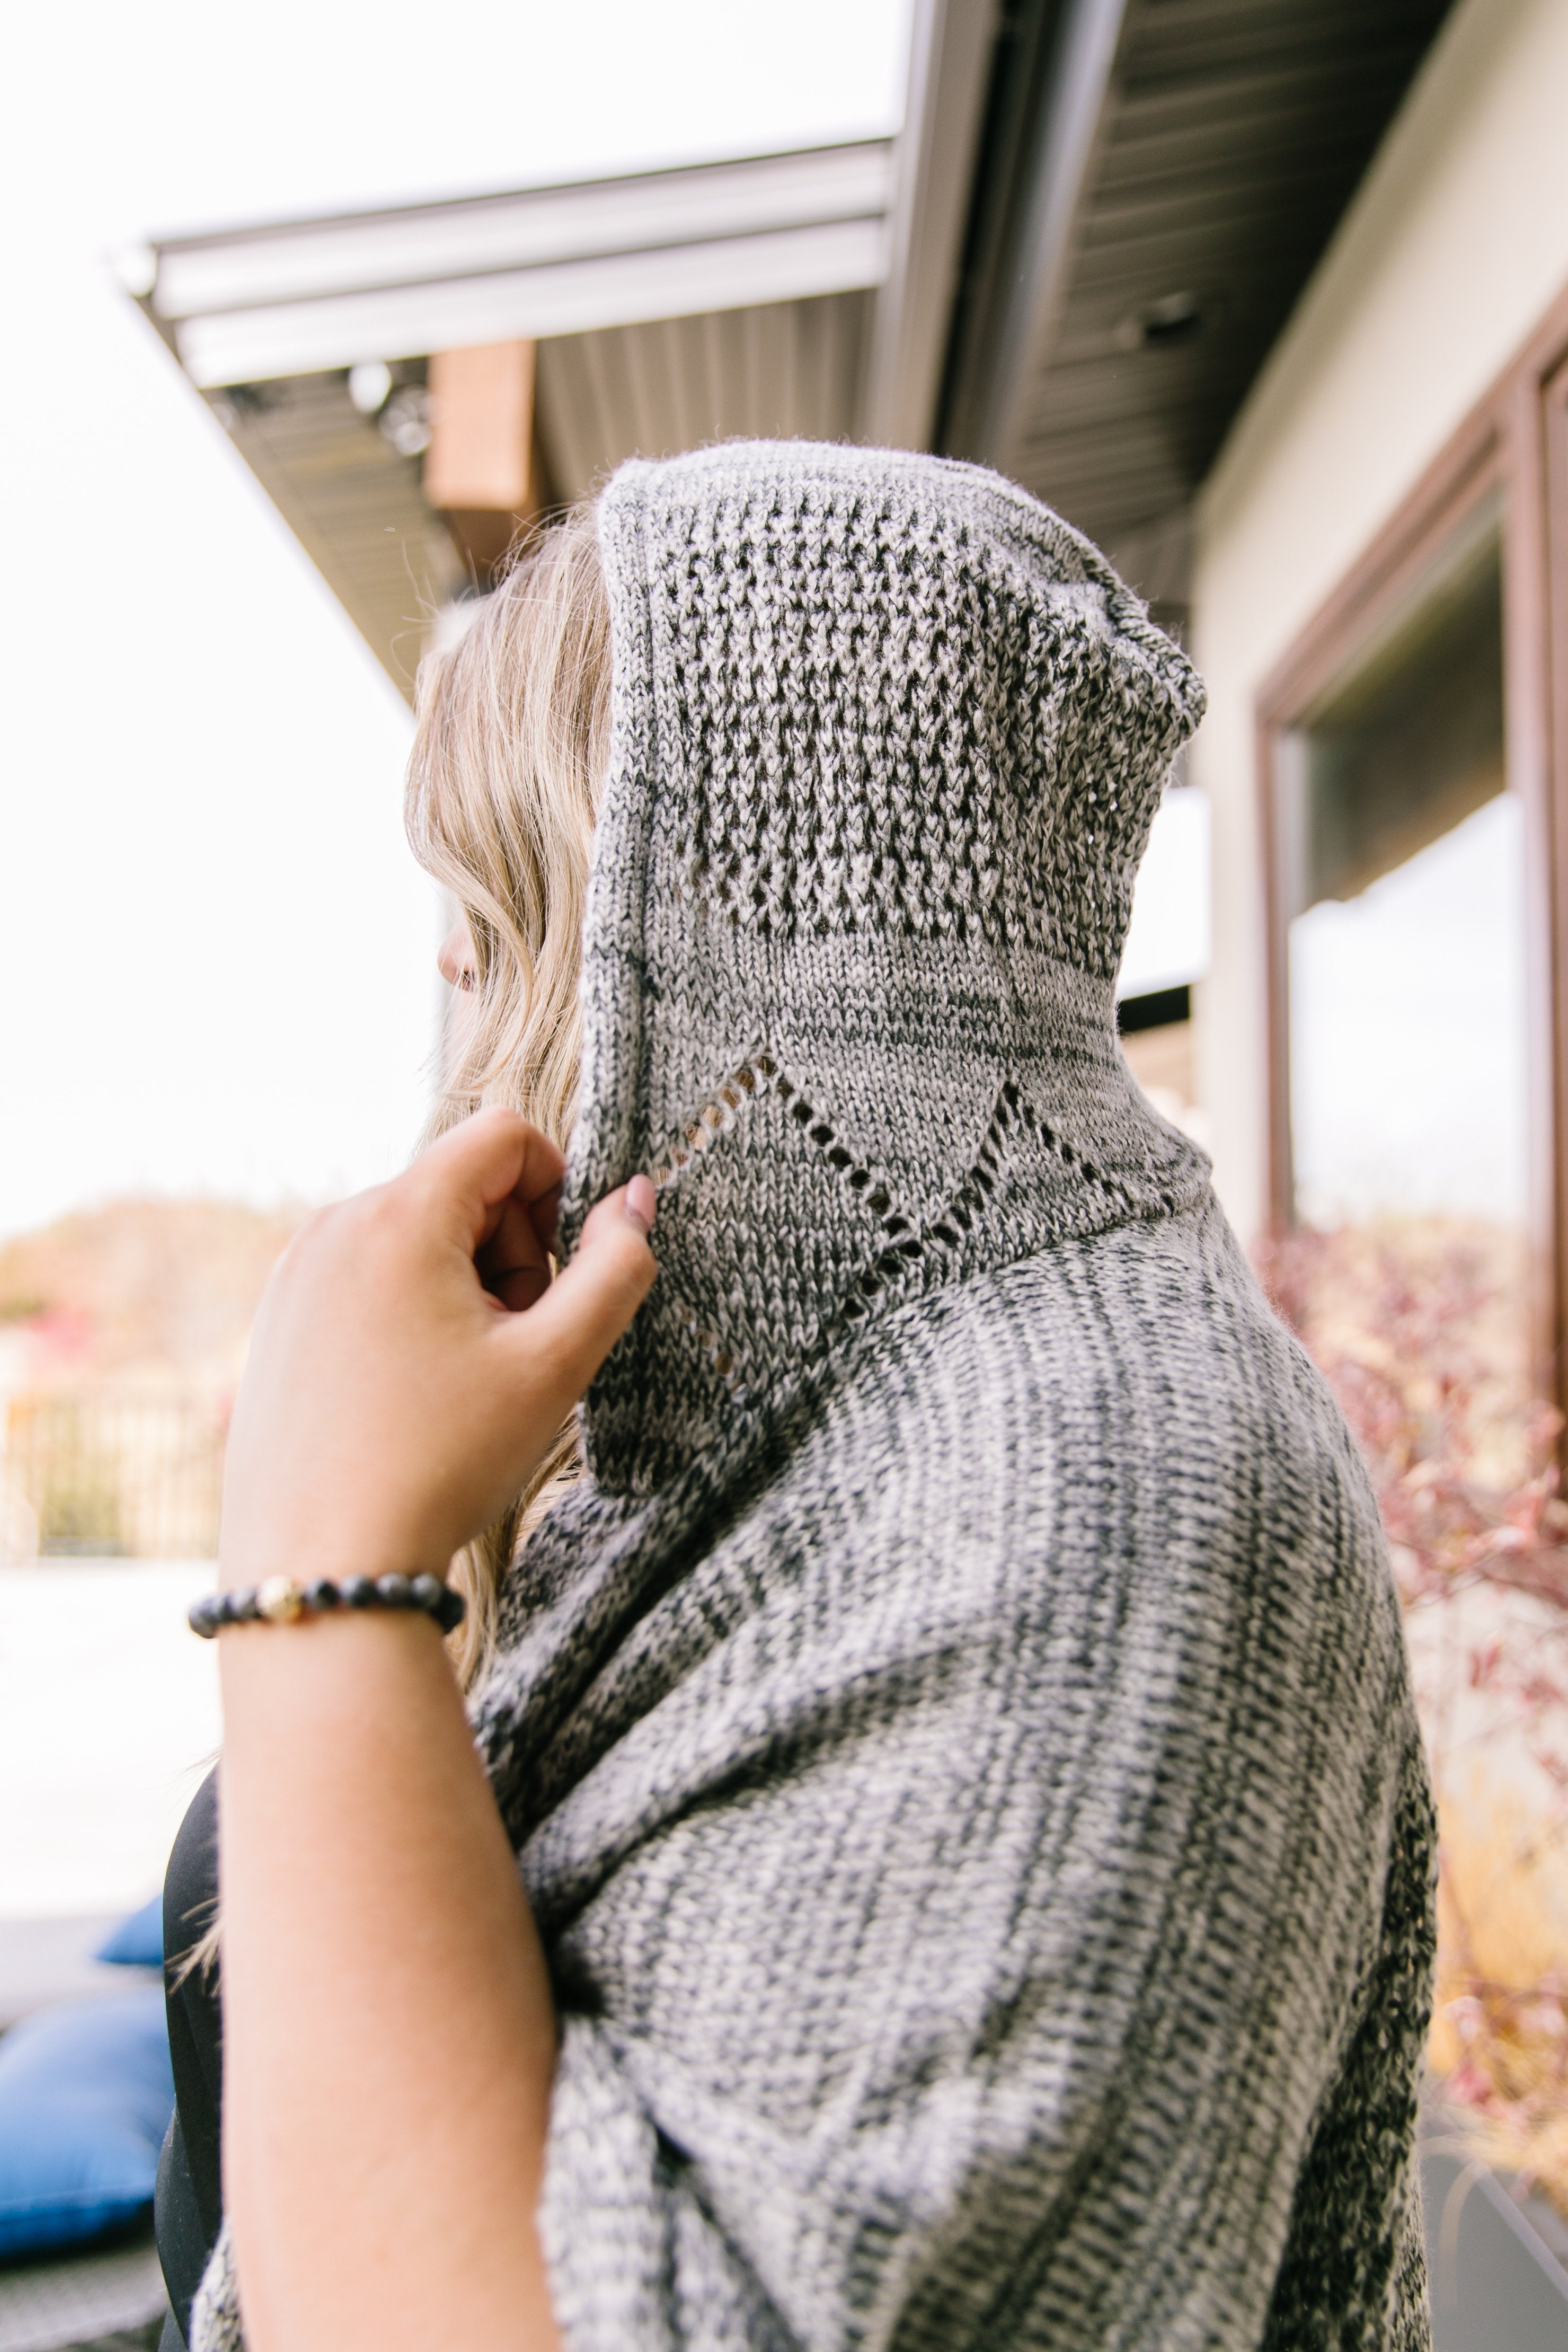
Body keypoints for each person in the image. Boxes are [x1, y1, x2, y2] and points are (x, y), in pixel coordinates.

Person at [157, 443, 1436, 2352]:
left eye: (510, 881)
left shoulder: (1105, 1493)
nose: (453, 959)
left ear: (731, 920)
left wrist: (317, 1572)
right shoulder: (750, 1410)